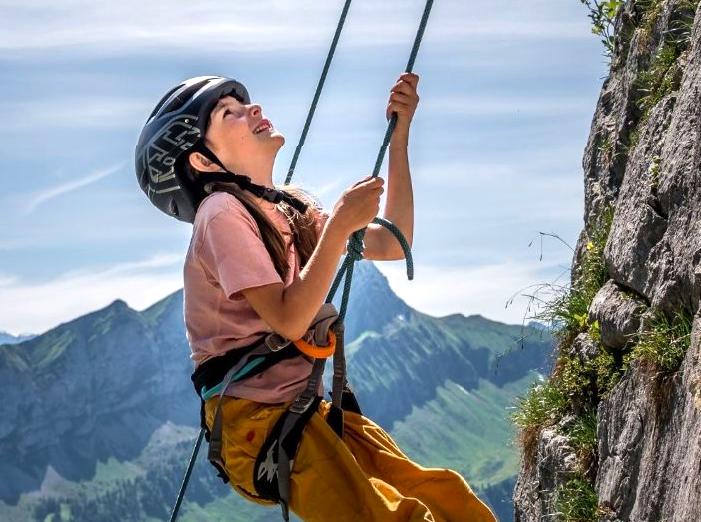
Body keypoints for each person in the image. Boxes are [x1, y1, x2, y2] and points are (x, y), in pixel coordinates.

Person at [135, 73, 497, 522]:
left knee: (445, 498)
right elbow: (288, 320)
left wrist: (400, 140)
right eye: (228, 113)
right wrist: (341, 225)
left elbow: (393, 240)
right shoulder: (220, 213)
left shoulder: (285, 209)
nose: (252, 109)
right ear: (205, 163)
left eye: (243, 102)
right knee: (387, 516)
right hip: (257, 427)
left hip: (303, 412)